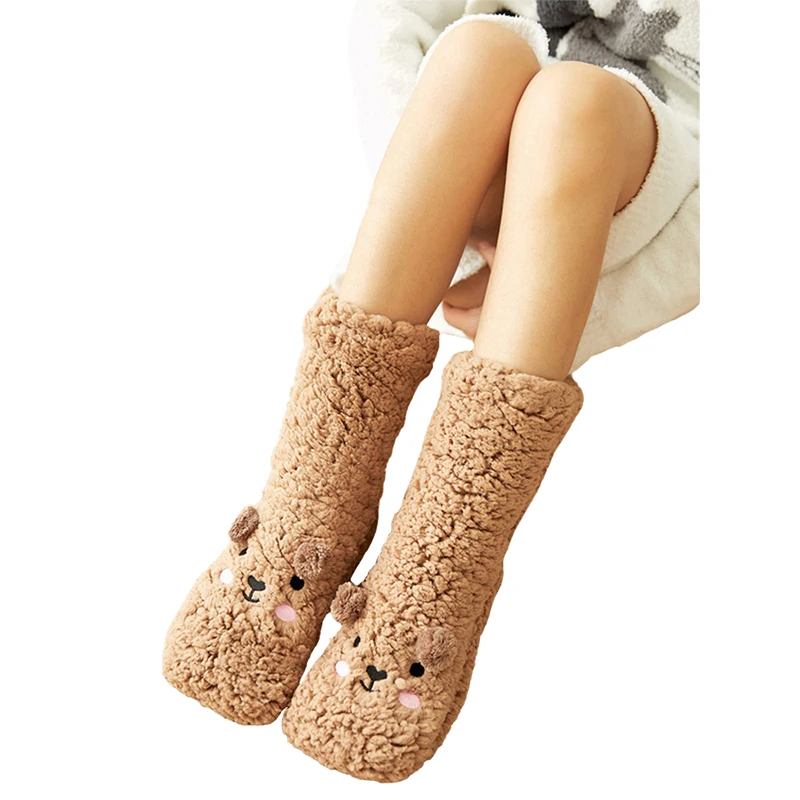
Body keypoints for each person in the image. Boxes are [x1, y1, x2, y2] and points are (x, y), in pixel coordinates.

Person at [164, 0, 699, 783]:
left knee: (573, 104)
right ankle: (311, 505)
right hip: (484, 131)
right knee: (476, 51)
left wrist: (583, 304)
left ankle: (438, 567)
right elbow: (395, 20)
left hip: (649, 168)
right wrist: (431, 217)